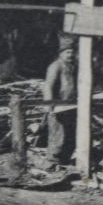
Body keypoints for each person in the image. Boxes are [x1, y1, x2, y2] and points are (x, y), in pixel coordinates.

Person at [42, 34, 79, 164]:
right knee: (58, 134)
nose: (70, 55)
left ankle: (64, 160)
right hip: (58, 106)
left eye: (72, 52)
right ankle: (53, 160)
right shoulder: (56, 66)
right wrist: (49, 103)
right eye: (67, 52)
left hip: (72, 105)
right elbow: (48, 85)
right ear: (61, 53)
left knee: (71, 134)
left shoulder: (74, 66)